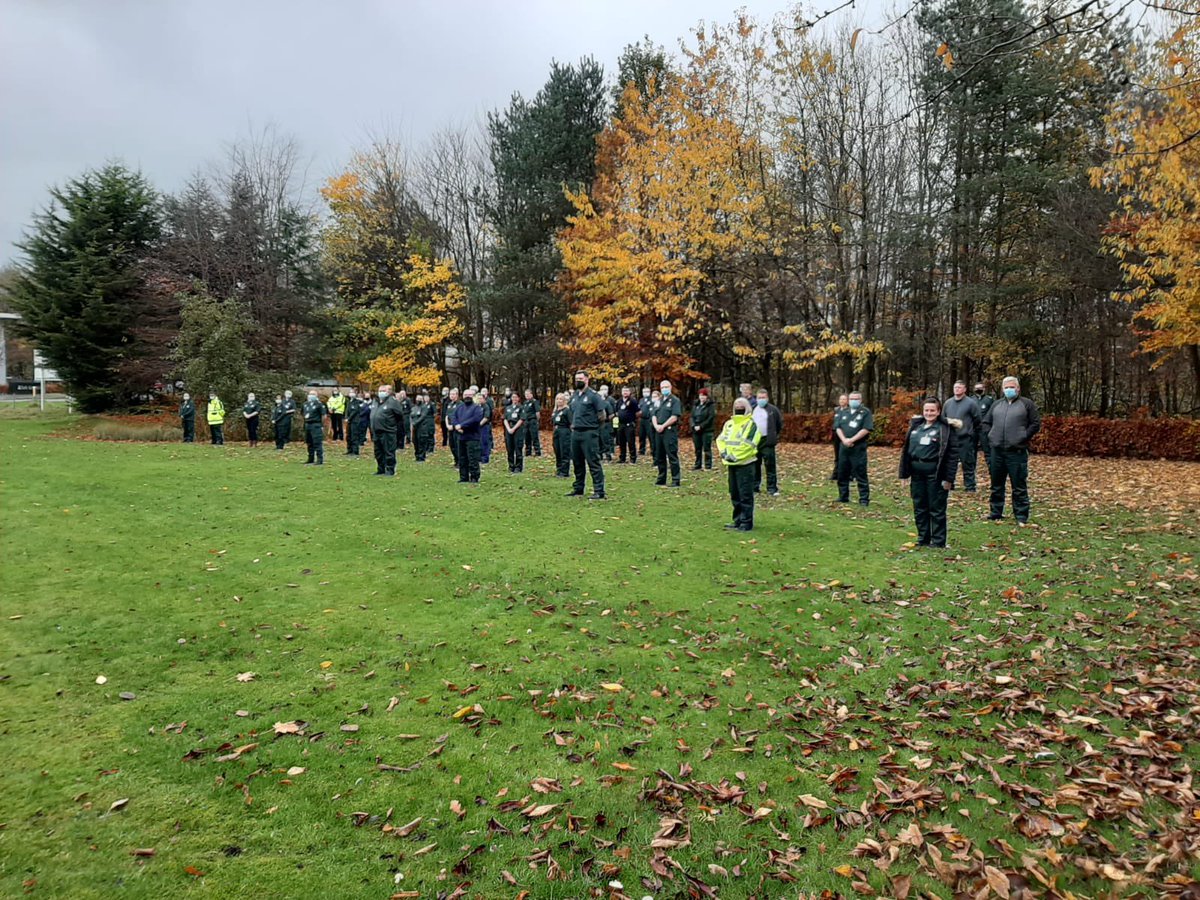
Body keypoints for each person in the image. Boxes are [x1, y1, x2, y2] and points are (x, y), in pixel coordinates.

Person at [899, 398, 960, 549]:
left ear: (938, 411)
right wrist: (903, 474)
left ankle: (938, 541)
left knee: (936, 507)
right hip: (916, 473)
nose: (929, 413)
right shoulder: (916, 427)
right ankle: (923, 538)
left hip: (935, 473)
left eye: (932, 410)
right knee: (920, 506)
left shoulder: (944, 429)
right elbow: (906, 451)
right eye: (926, 410)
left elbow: (952, 456)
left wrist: (949, 478)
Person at [981, 375, 1041, 525]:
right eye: (1006, 387)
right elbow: (986, 422)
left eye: (1011, 387)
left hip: (1017, 451)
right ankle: (996, 512)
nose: (1009, 389)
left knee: (1019, 484)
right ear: (1002, 389)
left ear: (1018, 388)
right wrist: (991, 436)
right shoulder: (996, 405)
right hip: (997, 451)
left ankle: (1021, 515)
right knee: (996, 483)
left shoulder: (1027, 404)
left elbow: (1035, 423)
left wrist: (1023, 436)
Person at [716, 397, 762, 532]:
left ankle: (746, 522)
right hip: (731, 463)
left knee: (745, 494)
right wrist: (724, 453)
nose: (739, 407)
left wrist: (735, 456)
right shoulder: (729, 424)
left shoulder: (751, 424)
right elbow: (721, 439)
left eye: (741, 405)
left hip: (745, 464)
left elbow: (749, 445)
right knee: (734, 493)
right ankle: (737, 520)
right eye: (736, 405)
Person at [566, 371, 606, 500]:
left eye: (581, 378)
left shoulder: (594, 396)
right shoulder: (575, 396)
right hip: (576, 432)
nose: (578, 380)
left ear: (587, 380)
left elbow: (602, 415)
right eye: (576, 378)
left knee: (593, 462)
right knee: (577, 462)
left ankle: (599, 490)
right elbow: (572, 412)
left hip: (589, 432)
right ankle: (578, 488)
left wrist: (593, 427)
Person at [942, 381, 982, 492]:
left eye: (960, 387)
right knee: (949, 463)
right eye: (955, 387)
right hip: (950, 438)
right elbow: (943, 418)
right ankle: (949, 485)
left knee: (968, 463)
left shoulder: (971, 403)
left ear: (964, 389)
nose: (957, 389)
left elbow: (977, 419)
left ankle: (970, 487)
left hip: (965, 438)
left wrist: (970, 432)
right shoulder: (948, 403)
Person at [835, 391, 873, 506]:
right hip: (844, 447)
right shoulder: (843, 412)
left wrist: (852, 440)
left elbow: (866, 429)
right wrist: (844, 440)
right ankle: (843, 496)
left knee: (860, 472)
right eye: (851, 399)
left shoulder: (865, 412)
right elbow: (837, 427)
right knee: (842, 472)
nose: (853, 401)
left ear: (860, 400)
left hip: (858, 447)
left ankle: (864, 499)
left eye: (856, 399)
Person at [653, 379, 682, 487]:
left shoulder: (675, 400)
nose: (664, 389)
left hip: (669, 431)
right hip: (658, 431)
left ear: (670, 387)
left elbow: (674, 416)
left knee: (672, 455)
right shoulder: (658, 401)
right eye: (662, 387)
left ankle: (675, 479)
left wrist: (663, 426)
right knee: (659, 456)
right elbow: (654, 414)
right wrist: (656, 426)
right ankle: (661, 478)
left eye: (666, 387)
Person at [753, 389, 783, 495]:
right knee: (755, 465)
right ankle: (755, 487)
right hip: (755, 442)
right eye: (759, 398)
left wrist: (773, 436)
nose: (761, 400)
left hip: (767, 441)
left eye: (763, 398)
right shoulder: (753, 409)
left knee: (770, 465)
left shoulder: (773, 410)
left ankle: (772, 488)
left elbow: (779, 424)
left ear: (767, 398)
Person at [452, 388, 485, 482]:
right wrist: (456, 426)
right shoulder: (459, 407)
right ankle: (463, 477)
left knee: (472, 458)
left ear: (473, 396)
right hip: (461, 436)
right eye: (466, 395)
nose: (467, 396)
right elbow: (454, 417)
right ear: (463, 396)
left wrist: (462, 426)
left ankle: (474, 476)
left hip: (472, 436)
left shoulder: (477, 407)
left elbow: (475, 419)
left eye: (470, 395)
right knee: (462, 457)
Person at [370, 385, 405, 476]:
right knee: (378, 452)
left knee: (389, 451)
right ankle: (380, 469)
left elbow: (399, 416)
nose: (381, 392)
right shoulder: (375, 401)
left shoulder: (392, 402)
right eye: (380, 390)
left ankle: (390, 469)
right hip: (376, 431)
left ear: (388, 391)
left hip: (387, 431)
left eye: (383, 390)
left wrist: (391, 425)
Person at [974, 381, 995, 477]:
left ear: (984, 389)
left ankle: (992, 471)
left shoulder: (989, 400)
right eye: (976, 388)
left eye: (980, 388)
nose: (978, 390)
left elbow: (993, 414)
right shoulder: (971, 400)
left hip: (985, 430)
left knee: (988, 451)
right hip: (973, 429)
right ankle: (971, 472)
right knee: (971, 452)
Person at [690, 388, 715, 470]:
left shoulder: (710, 405)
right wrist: (693, 425)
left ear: (707, 397)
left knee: (707, 448)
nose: (702, 397)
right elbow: (692, 417)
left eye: (704, 396)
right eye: (701, 395)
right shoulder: (696, 405)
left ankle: (708, 465)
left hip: (706, 430)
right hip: (696, 430)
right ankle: (698, 464)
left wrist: (701, 426)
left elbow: (710, 417)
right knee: (697, 448)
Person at [302, 390, 327, 465]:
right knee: (309, 443)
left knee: (317, 442)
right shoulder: (305, 404)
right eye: (310, 394)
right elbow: (303, 413)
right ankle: (310, 458)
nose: (311, 395)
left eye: (313, 394)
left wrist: (321, 425)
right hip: (307, 424)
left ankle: (319, 459)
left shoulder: (319, 404)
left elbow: (323, 416)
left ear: (316, 396)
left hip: (315, 425)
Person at [616, 386, 639, 464]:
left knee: (630, 442)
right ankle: (622, 458)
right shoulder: (619, 401)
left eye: (626, 391)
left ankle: (633, 458)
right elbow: (617, 411)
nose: (625, 392)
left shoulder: (633, 401)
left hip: (629, 424)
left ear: (629, 392)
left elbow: (638, 412)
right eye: (623, 391)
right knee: (621, 442)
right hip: (620, 424)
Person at [503, 393, 525, 473]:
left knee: (518, 448)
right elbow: (505, 419)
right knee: (509, 448)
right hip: (508, 429)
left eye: (516, 397)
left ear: (519, 398)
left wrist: (514, 428)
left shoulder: (521, 408)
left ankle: (518, 467)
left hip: (518, 429)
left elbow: (522, 419)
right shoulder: (508, 408)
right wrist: (508, 428)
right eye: (513, 397)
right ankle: (511, 466)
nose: (514, 399)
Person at [551, 392, 572, 477]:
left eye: (561, 399)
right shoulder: (555, 411)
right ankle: (559, 469)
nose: (559, 401)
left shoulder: (567, 410)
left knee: (564, 451)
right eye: (557, 399)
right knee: (557, 451)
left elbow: (571, 423)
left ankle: (564, 471)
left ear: (564, 400)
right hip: (556, 432)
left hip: (564, 432)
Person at [830, 394, 848, 480]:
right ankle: (836, 473)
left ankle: (848, 474)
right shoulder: (836, 410)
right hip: (835, 434)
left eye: (844, 399)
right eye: (841, 399)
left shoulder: (849, 411)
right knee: (837, 455)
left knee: (845, 454)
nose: (842, 401)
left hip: (845, 434)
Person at [597, 385, 615, 461]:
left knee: (606, 440)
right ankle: (600, 455)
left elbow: (611, 414)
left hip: (605, 424)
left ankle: (608, 455)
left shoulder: (607, 403)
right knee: (598, 441)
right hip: (597, 424)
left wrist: (606, 420)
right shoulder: (596, 404)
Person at [444, 388, 462, 466]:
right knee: (452, 445)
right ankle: (455, 460)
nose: (452, 396)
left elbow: (460, 417)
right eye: (450, 394)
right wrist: (447, 425)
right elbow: (447, 416)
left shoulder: (460, 404)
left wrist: (454, 426)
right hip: (450, 428)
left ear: (457, 395)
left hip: (457, 428)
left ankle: (460, 462)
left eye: (453, 394)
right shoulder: (449, 404)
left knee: (458, 445)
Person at [345, 388, 363, 455]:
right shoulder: (349, 401)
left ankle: (355, 451)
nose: (351, 394)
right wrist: (346, 417)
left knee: (354, 436)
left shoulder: (356, 402)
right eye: (350, 392)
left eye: (353, 392)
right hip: (349, 421)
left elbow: (354, 411)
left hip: (355, 421)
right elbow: (347, 410)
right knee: (348, 436)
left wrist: (349, 418)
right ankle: (349, 449)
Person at [478, 388, 494, 464]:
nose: (479, 400)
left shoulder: (486, 406)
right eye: (478, 398)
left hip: (484, 426)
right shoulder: (478, 406)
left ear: (484, 399)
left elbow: (486, 417)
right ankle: (479, 457)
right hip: (478, 427)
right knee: (479, 442)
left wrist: (479, 424)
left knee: (484, 442)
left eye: (481, 398)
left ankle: (485, 458)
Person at [647, 389, 662, 463]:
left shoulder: (661, 405)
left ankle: (659, 459)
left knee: (658, 443)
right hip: (651, 426)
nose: (654, 398)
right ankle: (654, 459)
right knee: (652, 442)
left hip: (659, 426)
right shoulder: (651, 405)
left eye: (655, 396)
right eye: (652, 396)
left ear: (659, 397)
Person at [637, 387, 653, 457]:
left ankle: (653, 450)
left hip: (649, 420)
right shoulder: (641, 400)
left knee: (650, 436)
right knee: (641, 435)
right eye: (644, 392)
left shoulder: (652, 399)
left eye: (647, 391)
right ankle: (641, 450)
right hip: (642, 420)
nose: (645, 393)